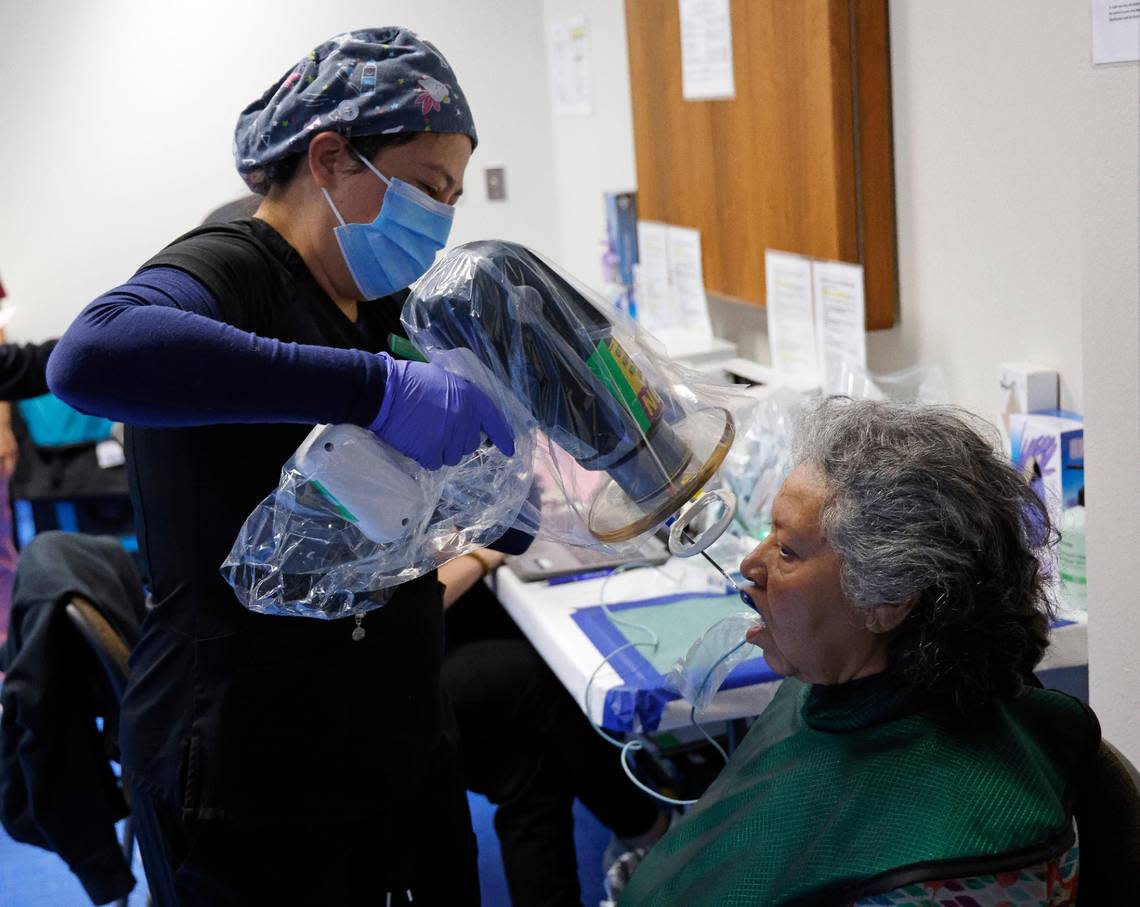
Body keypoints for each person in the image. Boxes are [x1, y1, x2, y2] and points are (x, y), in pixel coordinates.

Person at [47, 28, 516, 905]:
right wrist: (373, 388)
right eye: (424, 189)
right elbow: (90, 356)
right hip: (249, 775)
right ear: (332, 157)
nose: (441, 219)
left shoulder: (375, 297)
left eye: (452, 198)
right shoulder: (231, 266)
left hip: (396, 741)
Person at [621, 399, 1099, 907]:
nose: (749, 565)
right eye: (768, 535)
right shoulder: (824, 689)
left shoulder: (945, 870)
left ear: (887, 601)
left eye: (787, 551)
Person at [438, 550, 668, 907]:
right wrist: (483, 555)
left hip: (394, 656)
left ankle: (644, 831)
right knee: (541, 681)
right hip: (362, 695)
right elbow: (406, 611)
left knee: (528, 765)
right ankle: (646, 828)